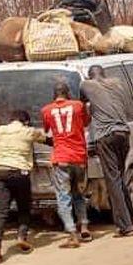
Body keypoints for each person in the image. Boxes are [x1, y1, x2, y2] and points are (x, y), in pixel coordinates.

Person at [79, 65, 133, 237]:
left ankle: (125, 227)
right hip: (124, 133)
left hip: (106, 136)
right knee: (119, 177)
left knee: (113, 182)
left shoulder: (86, 85)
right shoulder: (117, 83)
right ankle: (131, 219)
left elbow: (82, 103)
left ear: (90, 76)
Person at [42, 81, 91, 248]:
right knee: (79, 194)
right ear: (67, 93)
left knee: (64, 197)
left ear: (54, 94)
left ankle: (72, 233)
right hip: (79, 158)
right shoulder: (78, 105)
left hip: (61, 158)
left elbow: (47, 129)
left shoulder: (46, 110)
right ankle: (84, 226)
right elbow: (86, 122)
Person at [0, 110, 45, 258]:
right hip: (20, 173)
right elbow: (45, 139)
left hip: (0, 172)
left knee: (1, 212)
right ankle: (22, 237)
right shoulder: (29, 131)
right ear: (26, 121)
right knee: (24, 208)